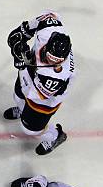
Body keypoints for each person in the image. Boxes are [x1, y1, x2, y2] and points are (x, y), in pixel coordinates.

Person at [4, 11, 75, 155]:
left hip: (45, 99)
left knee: (30, 129)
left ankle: (55, 135)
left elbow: (34, 93)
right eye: (49, 57)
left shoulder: (57, 76)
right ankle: (23, 109)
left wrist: (21, 60)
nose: (50, 62)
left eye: (55, 61)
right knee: (18, 97)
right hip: (32, 74)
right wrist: (19, 37)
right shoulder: (49, 26)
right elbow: (47, 16)